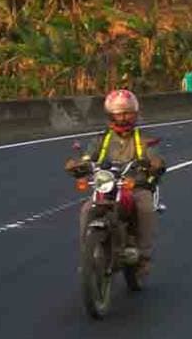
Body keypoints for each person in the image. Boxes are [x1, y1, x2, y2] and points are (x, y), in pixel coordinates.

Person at [65, 90, 166, 277]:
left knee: (145, 207)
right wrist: (77, 166)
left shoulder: (145, 139)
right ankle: (87, 258)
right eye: (119, 114)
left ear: (135, 114)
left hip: (135, 186)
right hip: (108, 186)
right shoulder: (101, 139)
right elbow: (88, 158)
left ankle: (144, 257)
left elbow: (156, 158)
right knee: (86, 210)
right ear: (111, 115)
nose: (123, 118)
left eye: (127, 113)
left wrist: (154, 163)